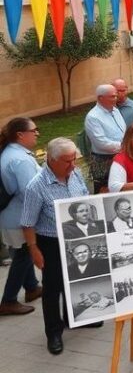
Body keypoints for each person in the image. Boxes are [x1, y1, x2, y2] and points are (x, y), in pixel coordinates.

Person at [21, 138, 92, 355]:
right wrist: (34, 249)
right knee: (52, 288)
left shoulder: (76, 174)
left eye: (74, 160)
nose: (73, 165)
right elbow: (27, 222)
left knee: (75, 280)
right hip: (51, 241)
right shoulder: (37, 186)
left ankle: (74, 319)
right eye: (67, 161)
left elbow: (85, 198)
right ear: (51, 160)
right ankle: (53, 331)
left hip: (77, 237)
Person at [0, 117, 42, 316]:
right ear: (20, 134)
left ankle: (32, 287)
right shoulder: (20, 159)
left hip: (13, 216)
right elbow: (30, 191)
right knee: (24, 255)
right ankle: (8, 300)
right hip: (20, 218)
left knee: (21, 253)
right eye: (34, 130)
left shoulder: (13, 153)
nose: (37, 133)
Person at [84, 83, 126, 193]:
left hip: (121, 155)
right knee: (105, 192)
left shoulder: (116, 111)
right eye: (112, 96)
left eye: (116, 95)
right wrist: (124, 146)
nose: (115, 98)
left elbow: (123, 131)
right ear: (100, 98)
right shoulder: (93, 117)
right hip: (103, 161)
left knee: (121, 187)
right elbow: (101, 143)